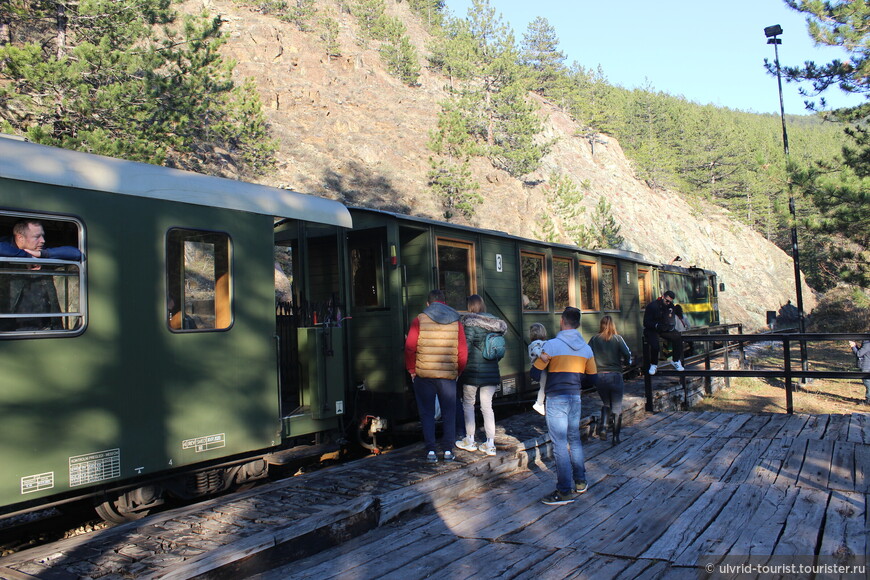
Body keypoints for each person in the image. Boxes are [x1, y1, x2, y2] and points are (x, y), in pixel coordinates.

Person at [531, 306, 597, 505]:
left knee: (559, 444)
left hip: (556, 398)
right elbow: (593, 379)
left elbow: (534, 374)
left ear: (562, 321)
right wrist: (576, 383)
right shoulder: (586, 348)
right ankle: (580, 482)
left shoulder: (551, 346)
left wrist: (541, 360)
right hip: (574, 397)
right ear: (578, 323)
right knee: (574, 439)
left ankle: (564, 491)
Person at [405, 289, 468, 463]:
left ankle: (431, 451)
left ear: (428, 303)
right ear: (444, 302)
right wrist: (458, 371)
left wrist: (412, 370)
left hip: (424, 375)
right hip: (447, 376)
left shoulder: (419, 319)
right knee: (449, 413)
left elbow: (410, 347)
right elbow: (462, 350)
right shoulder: (456, 320)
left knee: (427, 413)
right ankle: (448, 450)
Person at [0, 220, 83, 330]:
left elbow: (76, 253)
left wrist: (43, 254)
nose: (42, 241)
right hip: (9, 328)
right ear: (20, 238)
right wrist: (25, 257)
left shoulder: (41, 251)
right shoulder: (6, 247)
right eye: (37, 237)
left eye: (43, 236)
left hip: (45, 327)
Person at [455, 295, 507, 456]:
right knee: (487, 407)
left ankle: (470, 440)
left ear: (470, 307)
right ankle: (490, 443)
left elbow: (466, 349)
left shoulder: (469, 324)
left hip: (471, 373)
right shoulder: (495, 325)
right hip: (491, 373)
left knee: (468, 404)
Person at [588, 316, 632, 445]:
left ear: (601, 325)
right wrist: (625, 362)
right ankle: (615, 437)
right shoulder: (618, 339)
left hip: (600, 376)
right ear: (613, 325)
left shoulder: (594, 339)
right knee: (617, 408)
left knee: (606, 403)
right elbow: (627, 354)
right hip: (615, 376)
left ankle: (603, 427)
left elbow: (587, 353)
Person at [643, 290, 684, 375]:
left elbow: (671, 318)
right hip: (652, 329)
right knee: (655, 345)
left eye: (670, 301)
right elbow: (646, 322)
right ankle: (653, 364)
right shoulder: (652, 306)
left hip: (664, 328)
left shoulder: (671, 306)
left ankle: (675, 360)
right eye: (667, 301)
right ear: (663, 297)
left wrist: (670, 327)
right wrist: (656, 325)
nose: (668, 303)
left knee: (677, 338)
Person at [528, 323, 549, 415]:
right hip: (541, 369)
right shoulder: (535, 344)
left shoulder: (538, 343)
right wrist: (541, 355)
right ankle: (539, 403)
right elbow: (536, 350)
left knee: (544, 387)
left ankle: (541, 403)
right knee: (543, 387)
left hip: (542, 368)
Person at [849, 339, 870, 405]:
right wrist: (855, 346)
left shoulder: (867, 343)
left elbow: (859, 354)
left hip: (866, 366)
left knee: (867, 382)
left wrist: (853, 347)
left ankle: (868, 400)